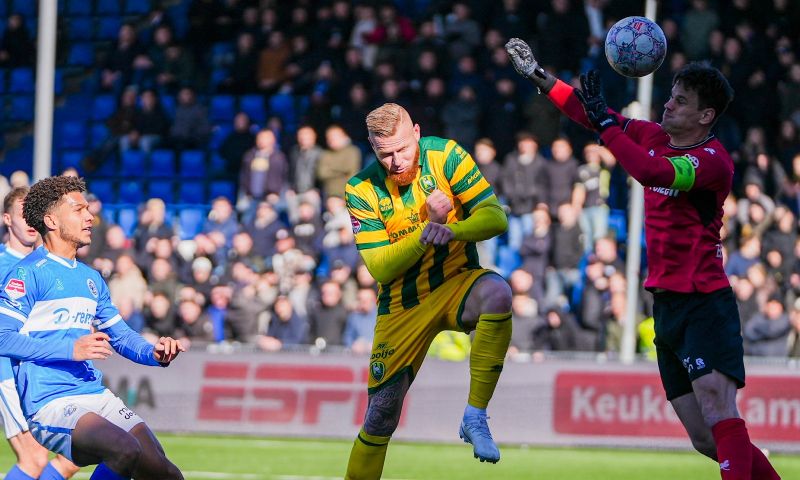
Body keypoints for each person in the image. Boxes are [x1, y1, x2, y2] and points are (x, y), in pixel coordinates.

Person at [506, 38, 780, 479]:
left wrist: (607, 128)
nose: (667, 106)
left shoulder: (712, 162)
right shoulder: (654, 136)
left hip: (705, 301)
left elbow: (650, 171)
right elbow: (590, 114)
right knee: (705, 437)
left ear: (706, 116)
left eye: (680, 101)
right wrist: (540, 75)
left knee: (717, 403)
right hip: (667, 305)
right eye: (670, 96)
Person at [344, 103, 511, 478]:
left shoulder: (447, 156)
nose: (396, 161)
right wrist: (425, 232)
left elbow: (495, 216)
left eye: (402, 148)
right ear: (372, 148)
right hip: (402, 306)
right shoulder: (360, 189)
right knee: (379, 419)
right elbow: (380, 267)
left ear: (417, 132)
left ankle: (475, 415)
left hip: (457, 280)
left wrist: (453, 230)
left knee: (498, 293)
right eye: (385, 154)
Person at [0, 177, 185, 480]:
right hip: (49, 401)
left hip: (93, 392)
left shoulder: (91, 278)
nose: (89, 217)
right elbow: (2, 337)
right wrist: (69, 349)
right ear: (51, 220)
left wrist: (155, 353)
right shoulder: (26, 274)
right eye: (79, 210)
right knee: (123, 449)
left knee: (165, 472)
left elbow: (121, 335)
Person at [0, 188, 80, 480]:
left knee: (77, 453)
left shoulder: (47, 266)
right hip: (8, 370)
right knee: (34, 458)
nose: (29, 221)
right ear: (7, 219)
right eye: (22, 213)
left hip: (45, 372)